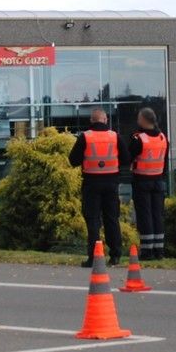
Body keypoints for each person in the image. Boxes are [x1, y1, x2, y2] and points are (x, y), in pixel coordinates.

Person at [69, 108, 122, 265]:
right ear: (105, 120)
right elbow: (126, 157)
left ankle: (94, 257)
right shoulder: (115, 136)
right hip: (111, 183)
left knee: (93, 221)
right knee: (112, 219)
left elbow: (73, 160)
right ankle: (116, 255)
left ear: (91, 121)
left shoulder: (85, 137)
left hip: (91, 183)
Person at [127, 108, 168, 260]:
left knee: (145, 216)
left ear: (144, 120)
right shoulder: (163, 137)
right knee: (157, 215)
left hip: (142, 181)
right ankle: (159, 250)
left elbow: (129, 156)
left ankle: (147, 251)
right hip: (158, 181)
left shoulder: (139, 138)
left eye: (139, 118)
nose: (137, 120)